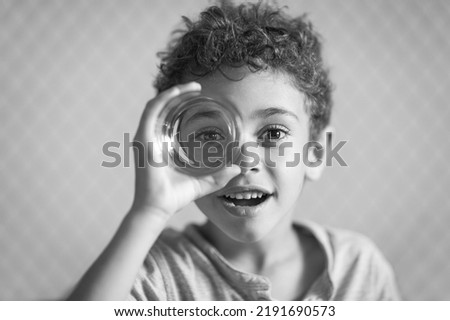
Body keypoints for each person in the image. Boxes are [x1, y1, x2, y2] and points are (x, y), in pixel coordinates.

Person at [69, 0, 400, 300]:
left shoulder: (359, 270)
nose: (243, 158)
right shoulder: (153, 274)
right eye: (212, 136)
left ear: (314, 153)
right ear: (175, 152)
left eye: (273, 132)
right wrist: (148, 213)